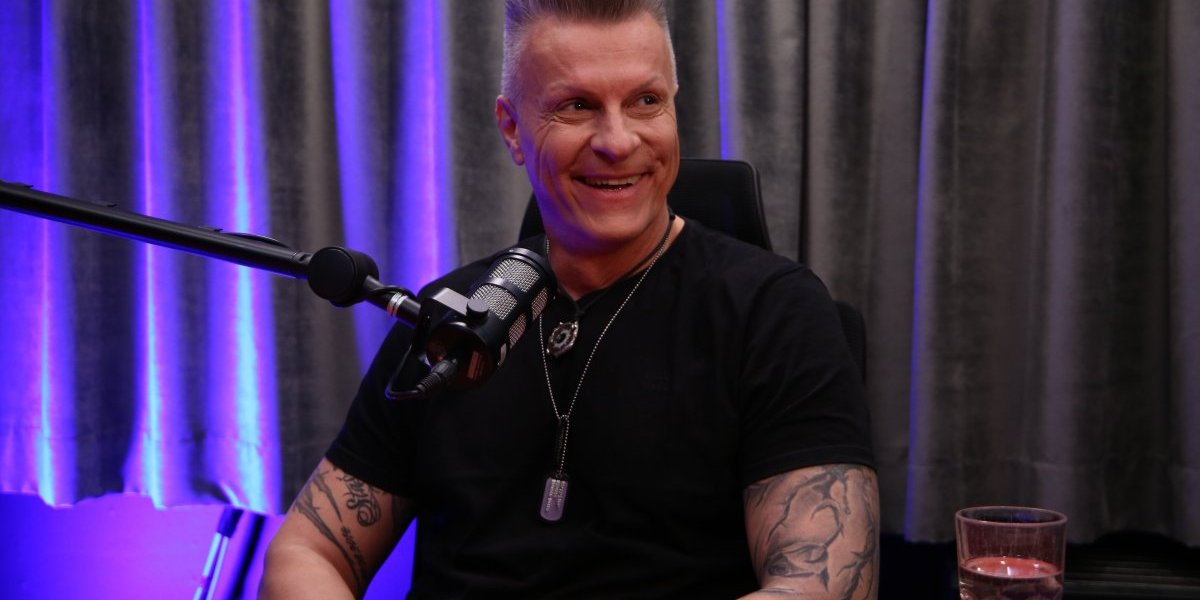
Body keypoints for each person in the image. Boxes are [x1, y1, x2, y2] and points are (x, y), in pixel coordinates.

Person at [260, 1, 879, 598]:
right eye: (577, 106)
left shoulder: (776, 313)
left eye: (645, 101)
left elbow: (823, 585)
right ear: (512, 128)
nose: (619, 140)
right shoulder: (453, 315)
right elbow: (309, 550)